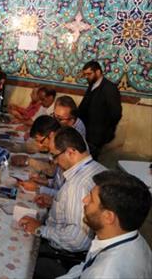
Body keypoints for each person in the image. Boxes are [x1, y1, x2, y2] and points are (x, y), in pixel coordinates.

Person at [19, 127, 107, 279]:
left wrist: (40, 229)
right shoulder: (96, 169)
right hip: (73, 247)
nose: (54, 161)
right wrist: (55, 201)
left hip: (63, 256)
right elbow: (77, 208)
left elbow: (77, 240)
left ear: (71, 152)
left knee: (20, 250)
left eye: (55, 156)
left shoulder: (78, 185)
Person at [58, 170, 152, 279]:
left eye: (91, 199)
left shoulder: (105, 273)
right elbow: (85, 269)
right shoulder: (132, 238)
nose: (84, 200)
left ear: (108, 217)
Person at [78, 61, 122, 159]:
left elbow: (116, 114)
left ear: (98, 72)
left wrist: (105, 133)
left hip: (97, 136)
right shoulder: (92, 85)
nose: (86, 77)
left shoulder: (109, 88)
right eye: (85, 74)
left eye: (89, 74)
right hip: (87, 134)